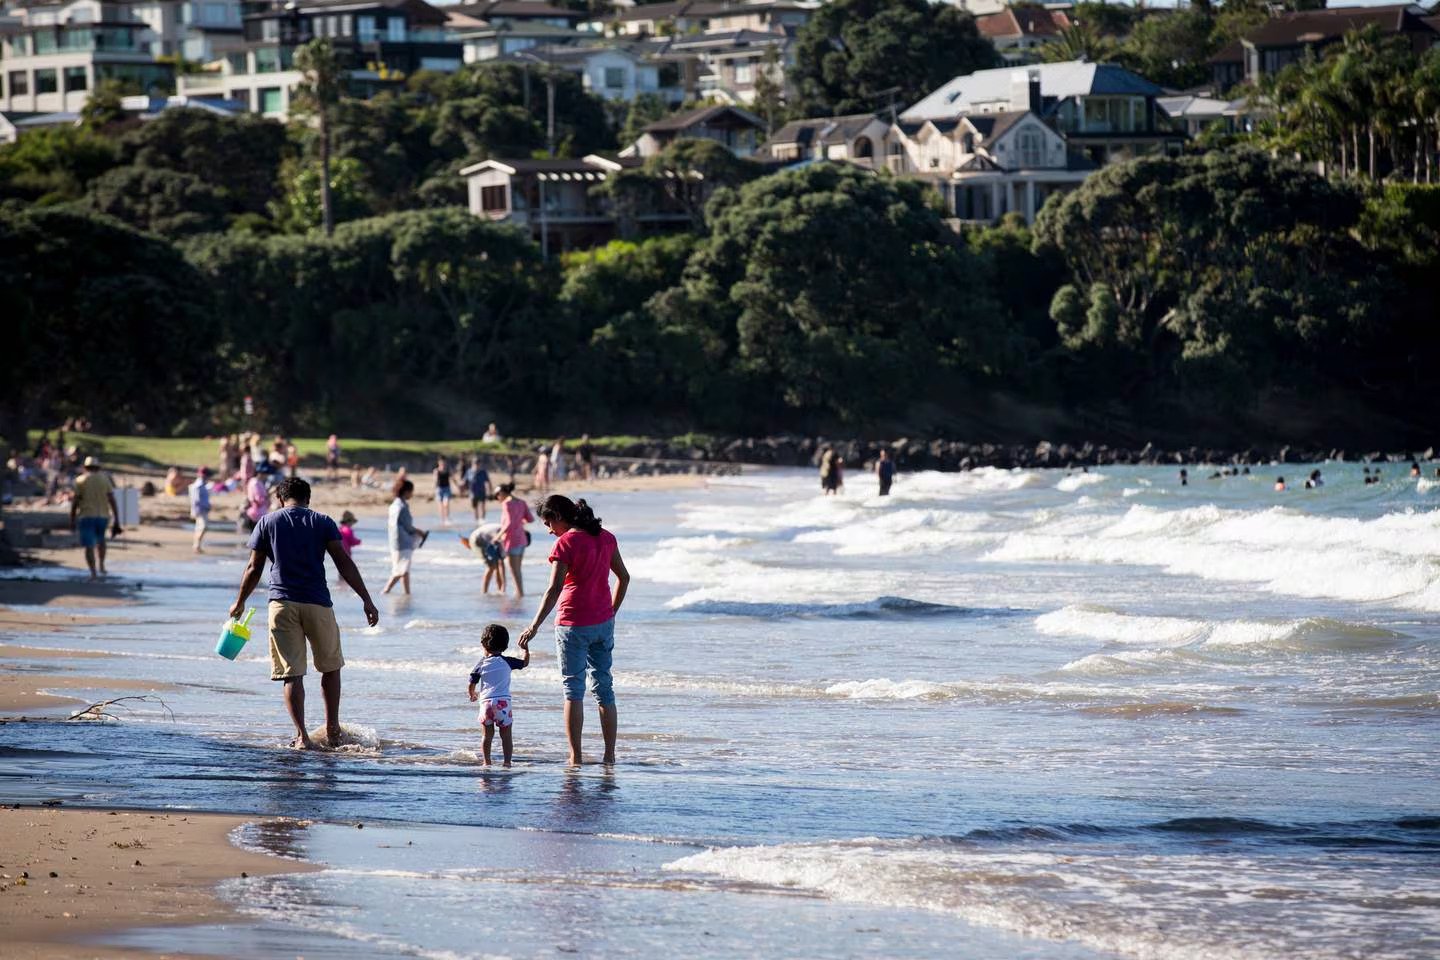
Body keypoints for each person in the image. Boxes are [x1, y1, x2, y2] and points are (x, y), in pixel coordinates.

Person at [230, 478, 379, 750]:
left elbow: (254, 568)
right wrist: (366, 599)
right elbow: (344, 562)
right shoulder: (322, 521)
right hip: (318, 603)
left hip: (282, 604)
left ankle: (302, 736)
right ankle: (333, 730)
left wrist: (239, 602)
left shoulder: (267, 522)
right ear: (308, 499)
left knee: (292, 673)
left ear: (279, 498)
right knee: (331, 667)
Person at [519, 496, 630, 766]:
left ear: (559, 516)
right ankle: (609, 756)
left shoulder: (566, 542)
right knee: (605, 689)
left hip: (572, 625)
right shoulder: (606, 537)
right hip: (603, 623)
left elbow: (554, 589)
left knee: (573, 690)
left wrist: (533, 625)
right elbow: (624, 578)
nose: (549, 530)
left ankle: (575, 757)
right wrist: (611, 612)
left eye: (548, 523)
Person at [467, 623, 530, 767]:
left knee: (486, 736)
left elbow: (472, 681)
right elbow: (524, 663)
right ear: (505, 646)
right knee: (506, 736)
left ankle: (486, 762)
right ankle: (507, 762)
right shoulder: (507, 661)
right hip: (503, 704)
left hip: (486, 704)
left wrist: (472, 694)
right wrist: (525, 650)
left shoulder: (481, 663)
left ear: (483, 644)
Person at [70, 456, 121, 581]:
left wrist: (71, 518)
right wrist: (117, 518)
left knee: (89, 545)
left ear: (85, 467)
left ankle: (93, 573)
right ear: (98, 467)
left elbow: (75, 501)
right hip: (103, 516)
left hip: (86, 515)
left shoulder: (80, 480)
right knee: (101, 541)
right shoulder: (105, 480)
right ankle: (102, 566)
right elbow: (112, 499)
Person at [384, 479, 429, 595]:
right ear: (406, 492)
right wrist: (421, 533)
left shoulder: (394, 505)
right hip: (404, 542)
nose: (412, 494)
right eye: (411, 491)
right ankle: (385, 591)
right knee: (401, 570)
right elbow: (408, 527)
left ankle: (407, 593)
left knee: (404, 569)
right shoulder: (402, 507)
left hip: (394, 541)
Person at [495, 483, 533, 598]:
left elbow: (509, 523)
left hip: (512, 541)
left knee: (514, 572)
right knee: (518, 571)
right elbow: (530, 519)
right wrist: (519, 523)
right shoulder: (522, 502)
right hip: (522, 540)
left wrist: (497, 537)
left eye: (497, 495)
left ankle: (520, 596)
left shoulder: (507, 503)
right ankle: (520, 595)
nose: (497, 497)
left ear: (502, 493)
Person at [460, 522, 506, 594]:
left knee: (495, 564)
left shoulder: (506, 529)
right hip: (478, 539)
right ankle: (485, 592)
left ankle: (497, 590)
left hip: (479, 537)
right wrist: (504, 585)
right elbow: (501, 564)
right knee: (492, 566)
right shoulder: (505, 533)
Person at [189, 466, 212, 553]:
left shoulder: (203, 485)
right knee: (203, 527)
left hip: (202, 509)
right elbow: (196, 500)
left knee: (199, 528)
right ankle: (196, 545)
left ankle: (196, 545)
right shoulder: (198, 486)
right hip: (200, 510)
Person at [464, 456, 491, 521]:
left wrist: (490, 490)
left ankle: (482, 520)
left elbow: (488, 482)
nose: (476, 465)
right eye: (475, 463)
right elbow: (465, 481)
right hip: (472, 492)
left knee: (482, 506)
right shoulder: (469, 472)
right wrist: (462, 489)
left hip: (482, 491)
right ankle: (476, 520)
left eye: (478, 463)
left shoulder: (483, 472)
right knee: (475, 507)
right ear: (472, 464)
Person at [433, 455, 454, 527]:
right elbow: (435, 481)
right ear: (438, 462)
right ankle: (443, 520)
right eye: (441, 462)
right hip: (439, 489)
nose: (443, 463)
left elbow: (453, 479)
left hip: (447, 489)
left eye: (444, 462)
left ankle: (447, 518)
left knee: (446, 503)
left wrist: (459, 486)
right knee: (441, 506)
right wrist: (433, 490)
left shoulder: (448, 470)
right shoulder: (436, 471)